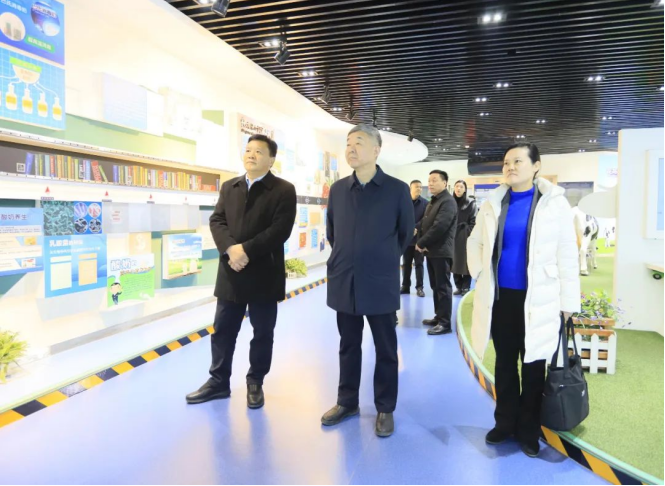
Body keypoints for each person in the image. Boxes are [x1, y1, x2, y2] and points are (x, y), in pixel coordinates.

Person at [467, 143, 580, 458]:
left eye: (517, 161)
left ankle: (529, 431)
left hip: (539, 298)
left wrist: (568, 302)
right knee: (504, 364)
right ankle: (504, 423)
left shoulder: (554, 203)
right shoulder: (494, 202)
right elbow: (474, 241)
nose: (510, 167)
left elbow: (567, 253)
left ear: (536, 166)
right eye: (506, 162)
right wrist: (480, 272)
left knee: (533, 366)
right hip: (501, 298)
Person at [186, 134, 297, 409]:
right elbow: (217, 220)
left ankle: (255, 382)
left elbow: (280, 230)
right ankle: (218, 382)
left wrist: (244, 250)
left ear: (271, 159)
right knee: (223, 331)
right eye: (248, 150)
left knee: (262, 333)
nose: (251, 155)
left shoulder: (283, 190)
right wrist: (230, 249)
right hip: (231, 272)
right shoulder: (230, 187)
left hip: (264, 273)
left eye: (258, 151)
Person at [322, 124, 414, 438]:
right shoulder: (338, 190)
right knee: (348, 345)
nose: (351, 148)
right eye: (348, 142)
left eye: (359, 142)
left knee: (386, 348)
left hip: (379, 281)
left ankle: (385, 407)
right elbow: (332, 233)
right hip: (344, 280)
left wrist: (381, 258)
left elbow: (405, 234)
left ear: (376, 150)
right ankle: (347, 402)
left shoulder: (397, 189)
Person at [417, 170, 458, 336]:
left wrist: (421, 242)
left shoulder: (448, 202)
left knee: (443, 287)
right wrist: (414, 228)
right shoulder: (434, 201)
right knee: (435, 286)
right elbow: (425, 222)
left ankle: (445, 323)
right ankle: (439, 317)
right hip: (432, 251)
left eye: (434, 180)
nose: (430, 183)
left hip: (441, 251)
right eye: (429, 180)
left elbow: (439, 226)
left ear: (445, 183)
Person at [400, 180, 428, 297]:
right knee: (406, 264)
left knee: (419, 264)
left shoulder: (425, 203)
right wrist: (409, 229)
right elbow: (401, 217)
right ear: (410, 189)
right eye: (417, 187)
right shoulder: (404, 202)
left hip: (419, 240)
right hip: (407, 240)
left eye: (421, 187)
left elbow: (426, 219)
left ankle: (419, 287)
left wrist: (415, 227)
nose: (419, 189)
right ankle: (405, 286)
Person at [452, 180, 477, 295]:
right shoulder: (450, 202)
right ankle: (458, 286)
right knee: (454, 262)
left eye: (461, 187)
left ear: (465, 189)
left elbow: (474, 221)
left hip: (465, 236)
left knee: (466, 263)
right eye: (457, 186)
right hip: (452, 236)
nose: (458, 189)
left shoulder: (471, 203)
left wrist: (467, 233)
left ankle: (466, 286)